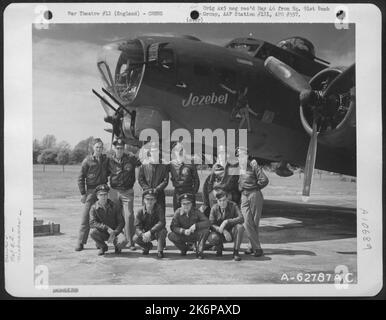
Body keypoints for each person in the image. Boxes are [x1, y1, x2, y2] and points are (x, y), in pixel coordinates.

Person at [75, 138, 109, 251]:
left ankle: (99, 242)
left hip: (102, 191)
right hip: (91, 191)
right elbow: (80, 178)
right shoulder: (87, 161)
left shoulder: (105, 160)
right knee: (86, 217)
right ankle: (80, 242)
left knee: (102, 217)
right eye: (97, 147)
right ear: (93, 148)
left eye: (101, 147)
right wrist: (83, 193)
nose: (99, 149)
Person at [237, 146, 269, 257]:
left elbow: (264, 180)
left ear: (247, 155)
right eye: (239, 156)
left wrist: (256, 187)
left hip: (254, 194)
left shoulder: (253, 165)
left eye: (242, 155)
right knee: (247, 222)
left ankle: (252, 247)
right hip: (244, 196)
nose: (240, 158)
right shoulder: (240, 167)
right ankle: (257, 247)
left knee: (254, 223)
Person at [108, 138, 138, 251]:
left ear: (124, 148)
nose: (120, 150)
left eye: (121, 148)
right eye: (118, 148)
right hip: (114, 191)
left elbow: (143, 160)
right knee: (115, 216)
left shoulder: (131, 159)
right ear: (114, 148)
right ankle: (117, 240)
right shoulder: (109, 160)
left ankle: (130, 242)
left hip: (127, 191)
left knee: (129, 215)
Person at [168, 193, 211, 259]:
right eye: (184, 204)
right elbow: (173, 227)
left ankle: (199, 251)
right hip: (183, 235)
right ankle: (184, 249)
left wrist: (196, 225)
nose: (186, 206)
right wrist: (183, 231)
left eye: (188, 203)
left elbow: (207, 222)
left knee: (206, 231)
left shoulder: (196, 211)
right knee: (171, 235)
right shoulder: (178, 212)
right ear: (181, 204)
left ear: (191, 204)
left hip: (194, 234)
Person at [201, 145, 240, 216]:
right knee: (215, 214)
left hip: (227, 193)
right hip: (215, 193)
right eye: (220, 153)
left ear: (227, 155)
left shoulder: (232, 167)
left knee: (226, 214)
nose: (221, 155)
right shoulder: (215, 166)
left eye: (223, 153)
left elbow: (235, 182)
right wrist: (211, 193)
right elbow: (210, 181)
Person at [89, 184, 127, 255]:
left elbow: (121, 222)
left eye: (105, 194)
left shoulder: (115, 206)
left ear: (108, 195)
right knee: (92, 233)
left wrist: (115, 232)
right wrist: (106, 228)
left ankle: (117, 246)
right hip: (102, 232)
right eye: (101, 195)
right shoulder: (93, 208)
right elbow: (92, 222)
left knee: (124, 241)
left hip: (115, 231)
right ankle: (103, 247)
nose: (103, 197)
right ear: (97, 196)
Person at [207, 190, 245, 261]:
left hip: (231, 232)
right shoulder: (214, 208)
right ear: (217, 201)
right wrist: (223, 231)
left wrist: (227, 221)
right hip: (220, 233)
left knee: (240, 227)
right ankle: (219, 247)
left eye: (224, 200)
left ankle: (236, 252)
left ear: (227, 199)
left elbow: (241, 218)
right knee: (212, 237)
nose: (222, 202)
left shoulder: (233, 205)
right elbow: (211, 224)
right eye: (220, 200)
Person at [133, 189, 167, 259]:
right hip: (146, 234)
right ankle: (147, 247)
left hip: (156, 232)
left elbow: (162, 222)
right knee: (135, 238)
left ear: (155, 200)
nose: (149, 201)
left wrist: (150, 232)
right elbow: (137, 227)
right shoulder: (140, 211)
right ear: (144, 200)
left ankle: (160, 250)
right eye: (147, 199)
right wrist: (142, 234)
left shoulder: (159, 209)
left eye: (152, 199)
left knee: (162, 231)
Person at [138, 142, 169, 213]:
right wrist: (147, 189)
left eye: (156, 151)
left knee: (160, 215)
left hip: (159, 194)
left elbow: (165, 180)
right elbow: (140, 179)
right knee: (146, 215)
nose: (154, 153)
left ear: (158, 152)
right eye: (153, 151)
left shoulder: (163, 166)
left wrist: (157, 189)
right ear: (150, 152)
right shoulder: (144, 164)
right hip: (147, 194)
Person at [169, 142, 200, 211]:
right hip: (177, 192)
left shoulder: (190, 164)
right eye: (177, 150)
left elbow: (196, 180)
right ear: (174, 152)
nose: (180, 152)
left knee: (191, 214)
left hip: (189, 190)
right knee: (177, 214)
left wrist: (193, 193)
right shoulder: (171, 164)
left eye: (182, 150)